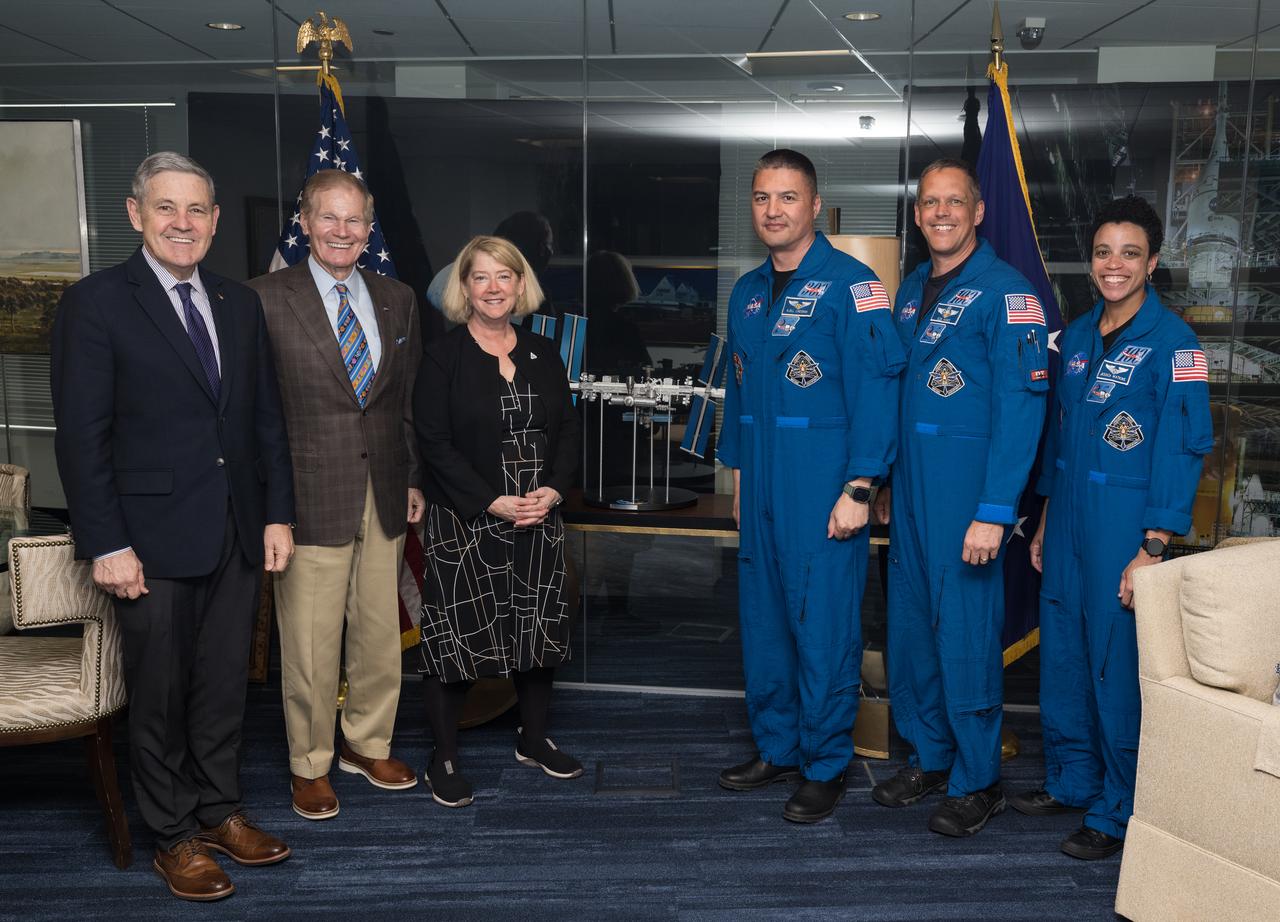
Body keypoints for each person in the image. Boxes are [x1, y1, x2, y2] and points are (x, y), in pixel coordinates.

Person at [51, 152, 295, 901]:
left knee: (223, 685)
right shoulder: (96, 303)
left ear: (215, 222)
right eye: (166, 208)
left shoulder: (238, 302)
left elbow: (263, 420)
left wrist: (278, 512)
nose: (182, 223)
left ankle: (219, 811)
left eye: (196, 210)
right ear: (135, 214)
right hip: (146, 541)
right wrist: (107, 543)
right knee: (158, 692)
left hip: (235, 530)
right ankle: (174, 836)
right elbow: (80, 436)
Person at [1013, 195, 1212, 859]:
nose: (1115, 264)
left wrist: (1154, 544)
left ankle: (1118, 807)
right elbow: (1059, 440)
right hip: (1066, 516)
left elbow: (1184, 448)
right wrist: (1043, 517)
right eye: (1104, 252)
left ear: (1152, 261)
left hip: (1127, 522)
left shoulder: (1177, 345)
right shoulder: (1071, 338)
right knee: (1064, 654)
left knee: (1115, 664)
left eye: (1130, 253)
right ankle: (1072, 780)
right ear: (1091, 262)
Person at [716, 148, 905, 823]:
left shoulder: (854, 288)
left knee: (823, 628)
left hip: (824, 490)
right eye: (762, 197)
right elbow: (739, 390)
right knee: (764, 623)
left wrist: (860, 488)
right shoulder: (746, 292)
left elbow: (878, 396)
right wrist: (737, 477)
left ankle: (824, 762)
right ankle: (778, 747)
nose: (773, 210)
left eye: (787, 197)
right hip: (762, 485)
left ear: (815, 206)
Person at [871, 158, 1049, 837]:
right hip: (912, 495)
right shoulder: (913, 288)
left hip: (969, 500)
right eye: (929, 203)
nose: (941, 212)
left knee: (968, 639)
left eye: (955, 201)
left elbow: (1022, 409)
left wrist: (996, 510)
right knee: (912, 633)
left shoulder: (1009, 295)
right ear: (917, 216)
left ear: (977, 212)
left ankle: (980, 779)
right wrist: (884, 478)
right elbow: (895, 388)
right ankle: (932, 757)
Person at [247, 169, 424, 820]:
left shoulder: (397, 297)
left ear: (369, 228)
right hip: (306, 497)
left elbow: (401, 399)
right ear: (304, 222)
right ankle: (310, 763)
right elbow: (253, 412)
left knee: (379, 634)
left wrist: (410, 478)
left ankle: (367, 744)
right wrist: (271, 506)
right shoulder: (262, 298)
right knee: (312, 641)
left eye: (355, 221)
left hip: (382, 490)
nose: (343, 232)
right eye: (329, 218)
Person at [413, 234, 582, 808]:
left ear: (519, 284)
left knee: (538, 631)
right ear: (465, 288)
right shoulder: (443, 357)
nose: (493, 288)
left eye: (503, 276)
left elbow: (567, 432)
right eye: (480, 277)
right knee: (456, 637)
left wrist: (553, 491)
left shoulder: (543, 353)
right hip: (467, 520)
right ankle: (445, 756)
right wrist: (490, 500)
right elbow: (433, 443)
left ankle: (533, 740)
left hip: (538, 516)